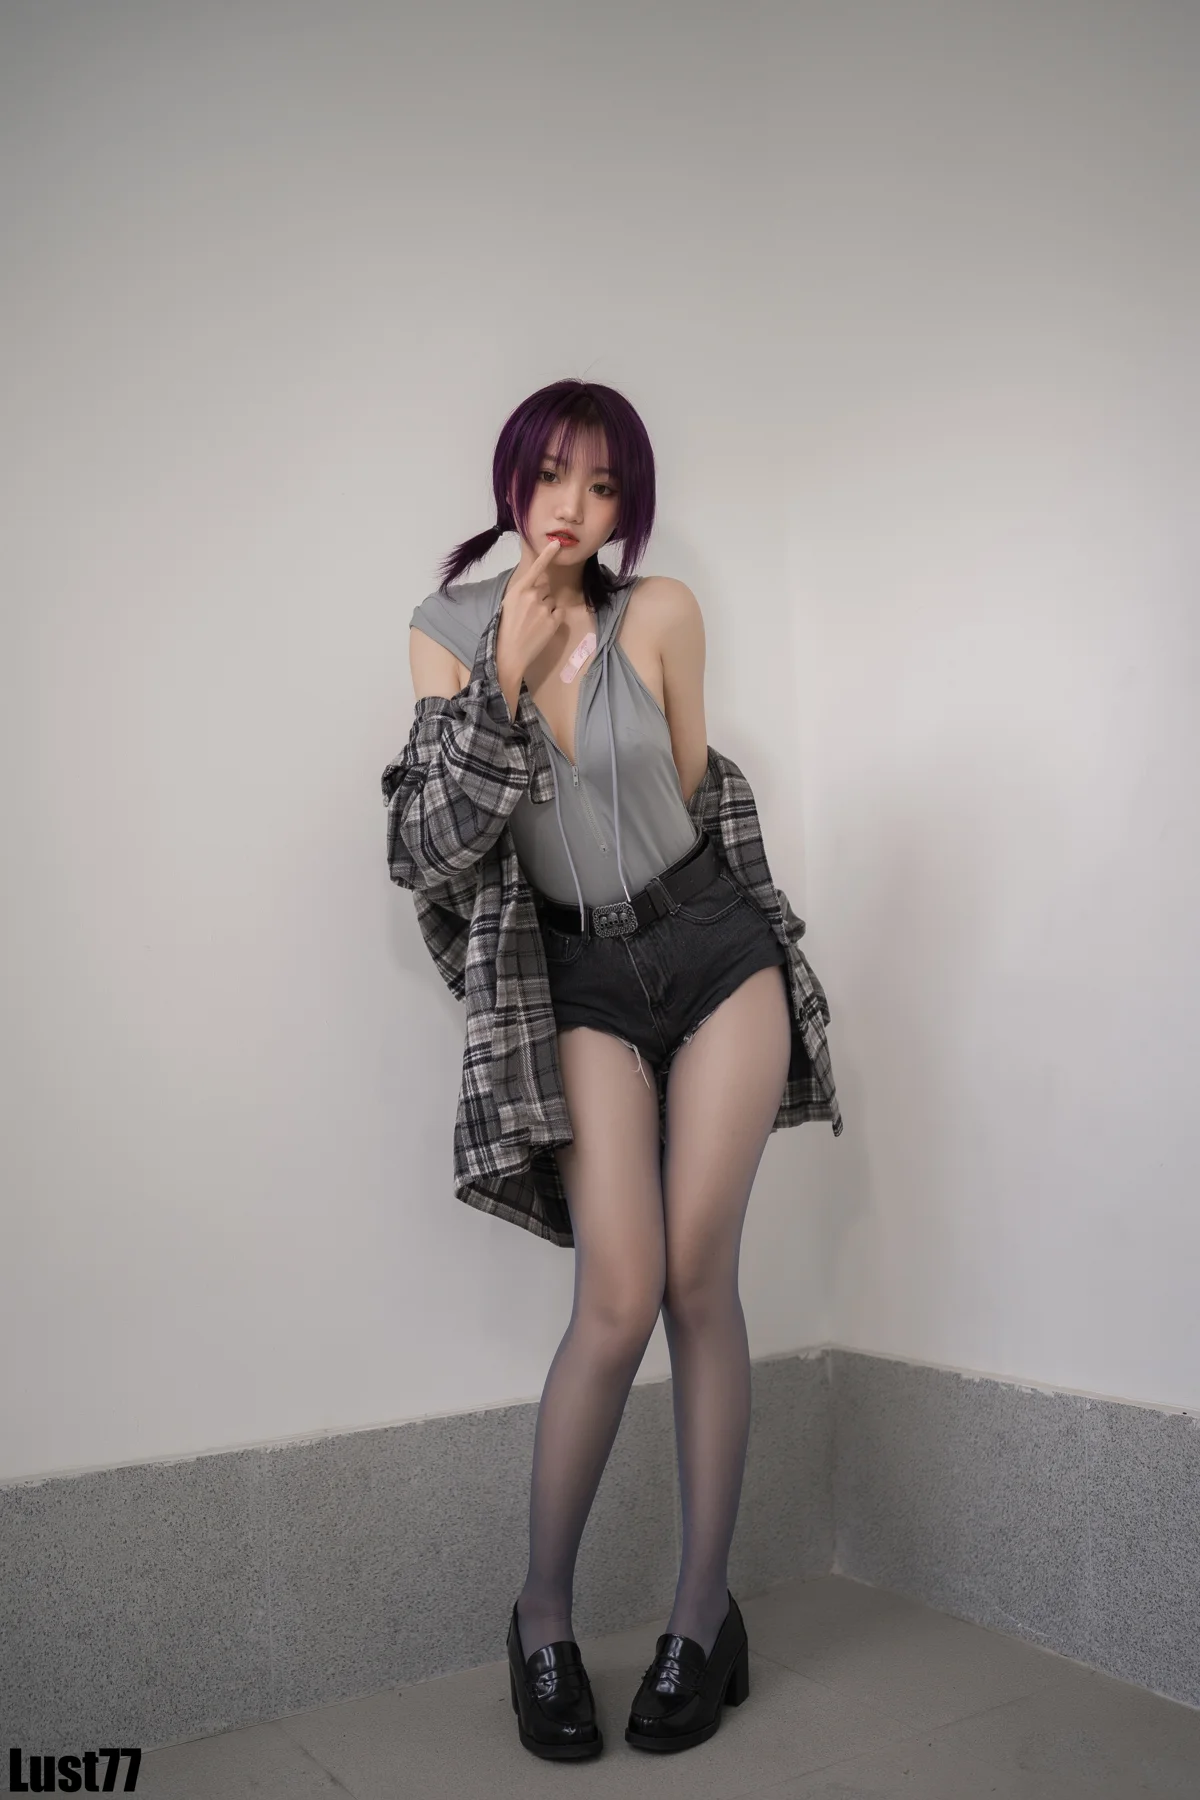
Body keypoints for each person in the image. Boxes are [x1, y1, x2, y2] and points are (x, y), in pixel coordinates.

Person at [407, 379, 803, 1759]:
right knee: (618, 1296)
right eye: (551, 477)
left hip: (712, 952)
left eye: (604, 485)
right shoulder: (444, 633)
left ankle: (702, 1618)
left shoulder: (665, 613)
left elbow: (690, 793)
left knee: (698, 1280)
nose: (573, 507)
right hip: (574, 981)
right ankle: (541, 1618)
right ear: (512, 480)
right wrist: (507, 678)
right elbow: (433, 846)